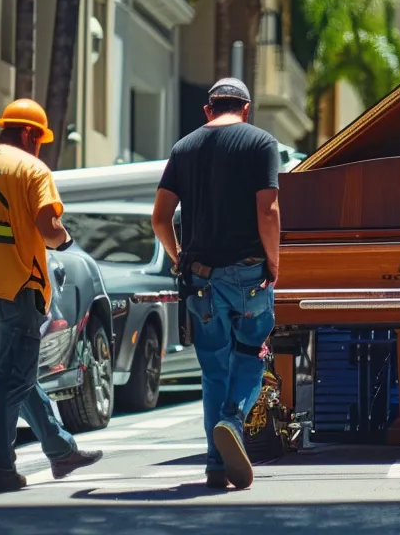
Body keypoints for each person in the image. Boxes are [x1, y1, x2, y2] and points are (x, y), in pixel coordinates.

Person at [0, 98, 102, 492]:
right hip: (17, 288)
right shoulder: (32, 168)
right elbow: (48, 228)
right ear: (28, 134)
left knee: (14, 376)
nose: (39, 146)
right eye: (39, 139)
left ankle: (60, 449)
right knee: (15, 379)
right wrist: (64, 239)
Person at [152, 77, 283, 490]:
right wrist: (275, 264)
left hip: (200, 278)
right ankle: (231, 420)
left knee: (212, 369)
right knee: (250, 353)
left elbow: (159, 217)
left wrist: (179, 260)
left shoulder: (183, 147)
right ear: (246, 109)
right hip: (248, 273)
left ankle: (215, 464)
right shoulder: (261, 143)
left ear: (208, 110)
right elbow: (269, 211)